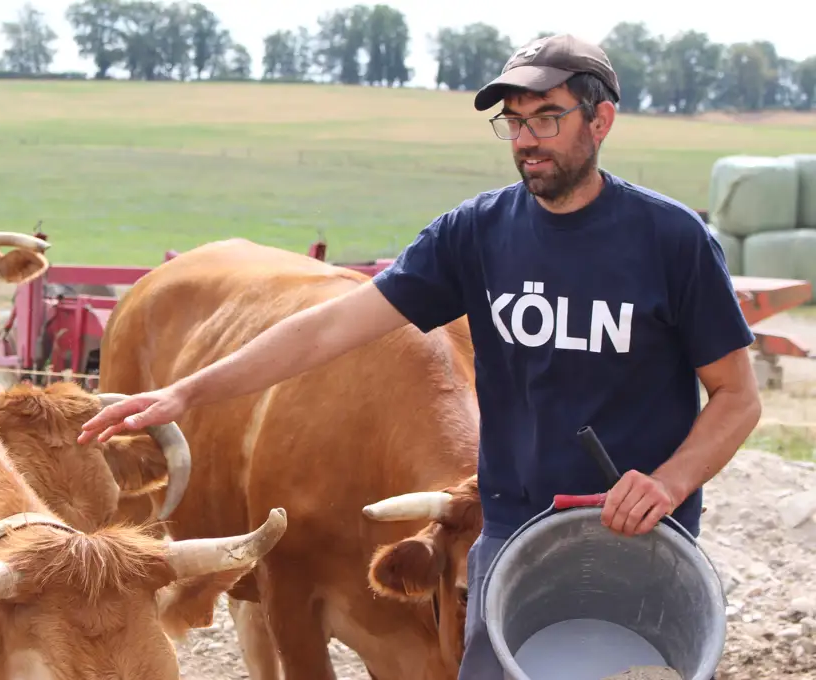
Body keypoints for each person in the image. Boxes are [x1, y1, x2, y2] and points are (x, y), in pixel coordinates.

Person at [77, 34, 762, 678]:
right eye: (514, 122)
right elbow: (325, 330)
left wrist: (667, 484)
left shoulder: (671, 242)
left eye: (547, 118)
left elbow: (737, 397)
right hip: (508, 533)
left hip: (631, 539)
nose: (527, 140)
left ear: (601, 120)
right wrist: (187, 393)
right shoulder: (477, 234)